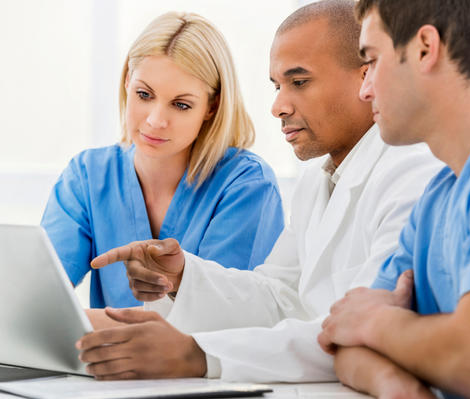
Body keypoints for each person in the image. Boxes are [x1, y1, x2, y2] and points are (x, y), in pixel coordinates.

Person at [74, 0, 442, 386]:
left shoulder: (412, 176)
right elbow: (279, 298)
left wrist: (196, 355)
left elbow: (362, 332)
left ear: (366, 78)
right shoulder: (319, 180)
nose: (278, 106)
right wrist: (183, 276)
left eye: (299, 82)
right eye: (277, 86)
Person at [318, 1, 470, 398]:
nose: (365, 90)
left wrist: (376, 325)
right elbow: (345, 346)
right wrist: (396, 384)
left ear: (424, 48)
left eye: (372, 60)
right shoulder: (438, 197)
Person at [40, 12, 285, 320]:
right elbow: (40, 291)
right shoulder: (89, 175)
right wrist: (10, 318)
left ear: (212, 106)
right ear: (127, 82)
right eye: (144, 94)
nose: (155, 121)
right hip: (104, 364)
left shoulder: (247, 185)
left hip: (204, 369)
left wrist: (48, 323)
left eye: (181, 105)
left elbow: (218, 321)